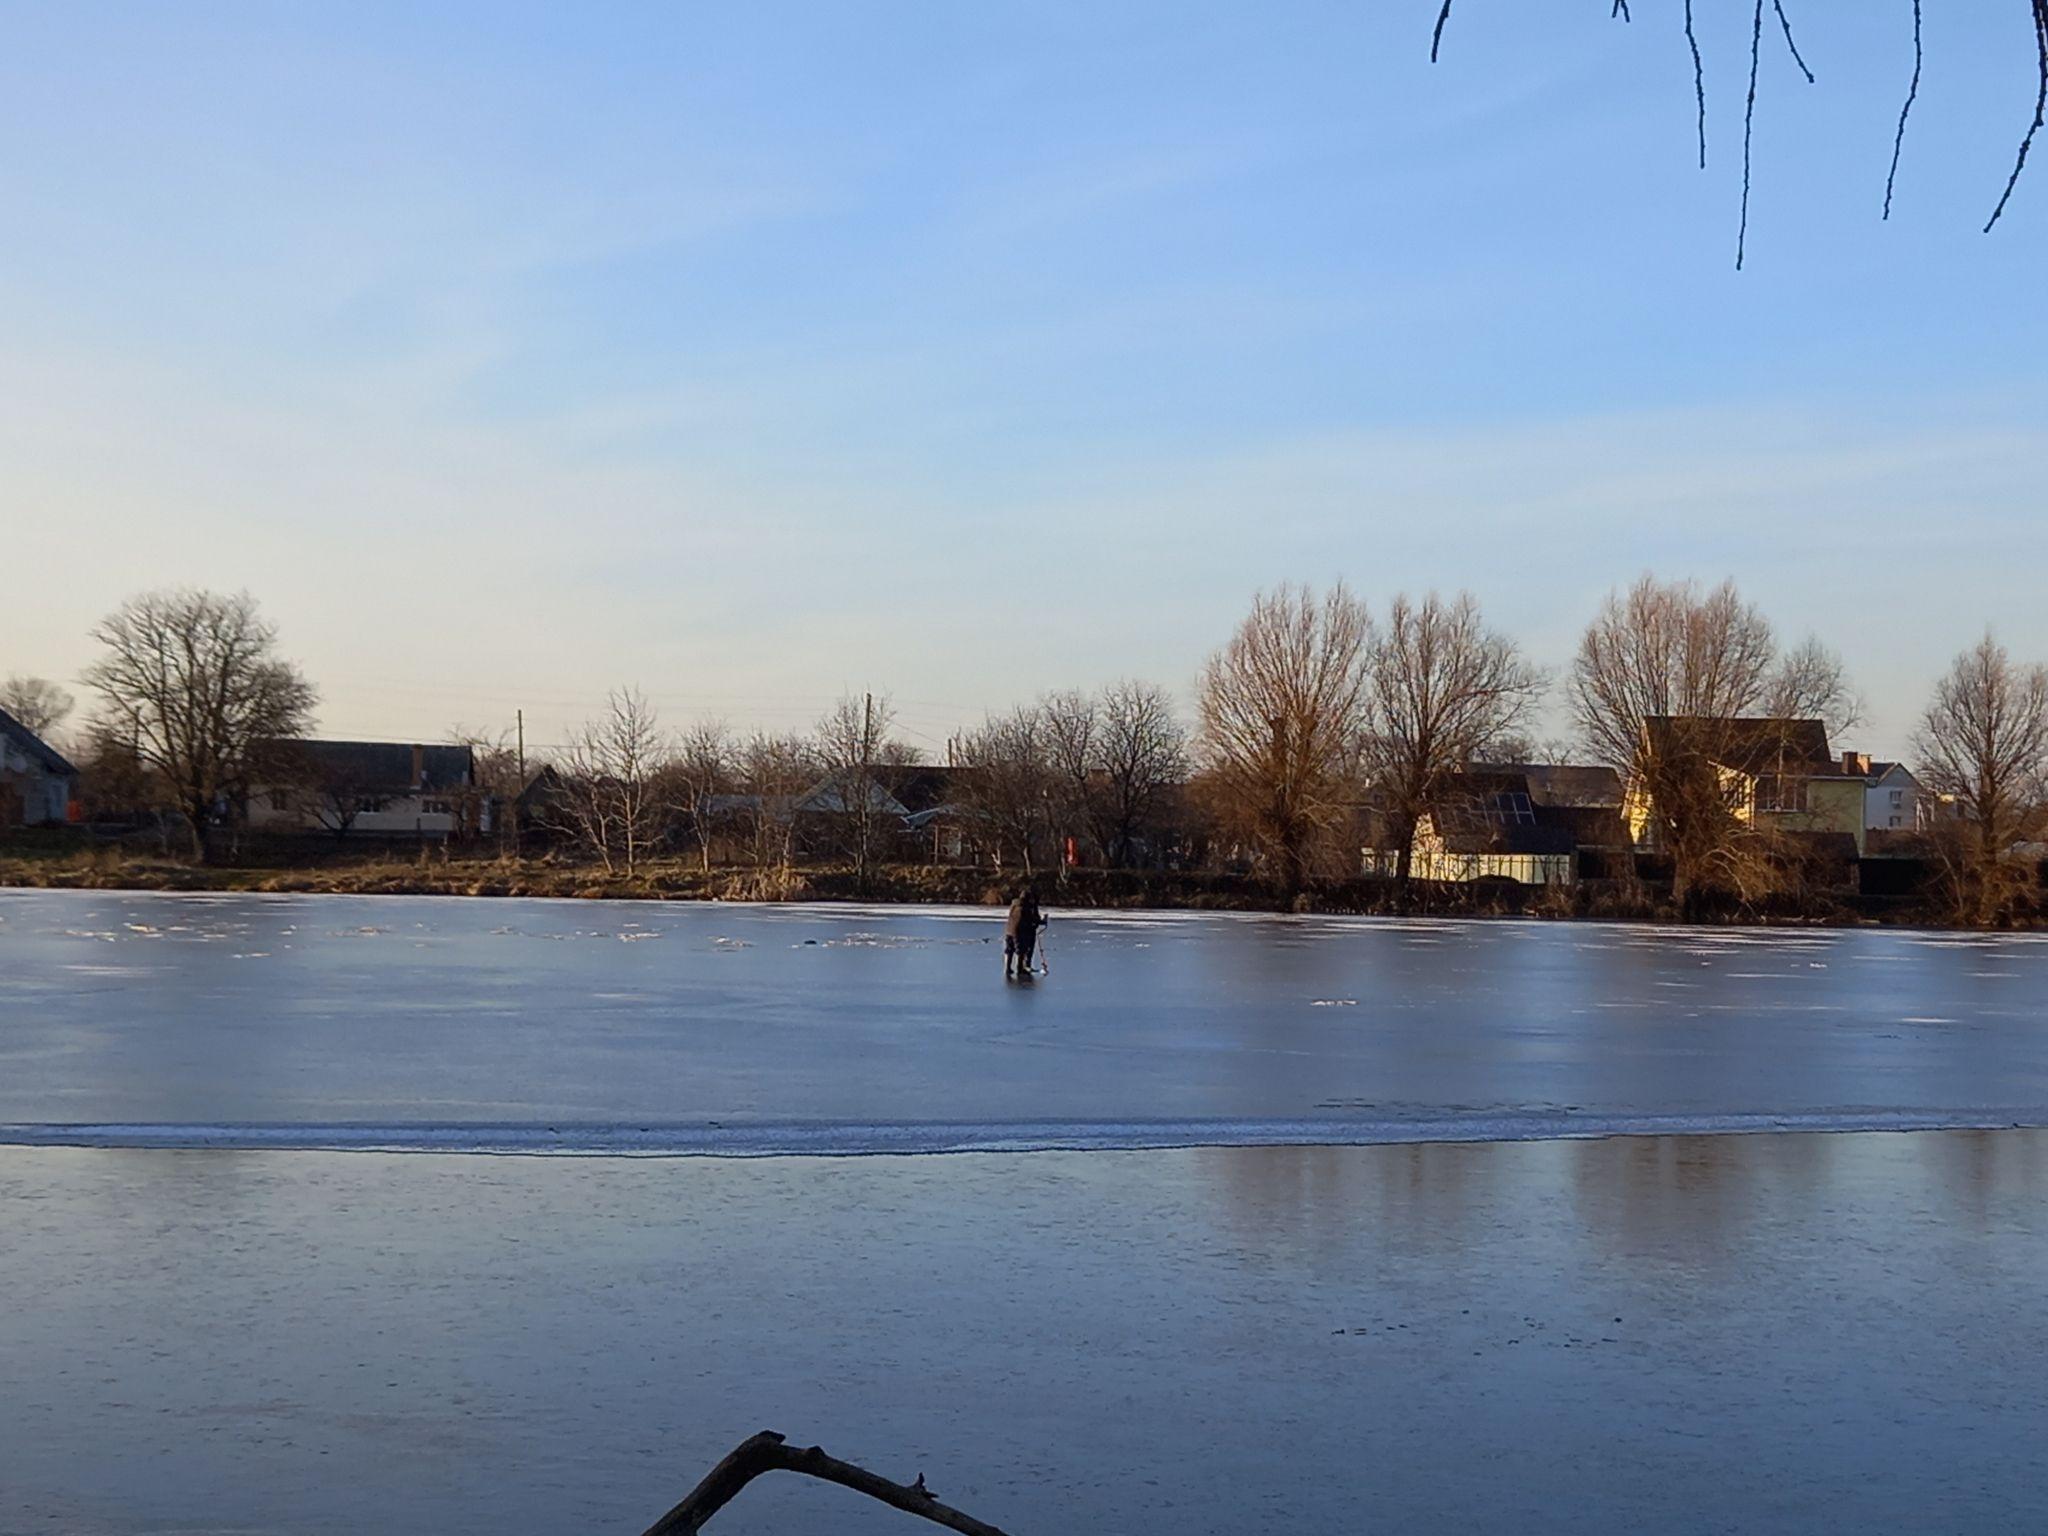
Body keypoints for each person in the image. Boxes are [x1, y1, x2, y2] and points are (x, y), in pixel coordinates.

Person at [1003, 884, 1045, 979]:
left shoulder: (1014, 905)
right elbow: (1029, 919)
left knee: (1009, 950)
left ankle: (1007, 968)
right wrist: (1041, 921)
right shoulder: (1024, 907)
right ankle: (1020, 968)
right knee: (1020, 950)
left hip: (1009, 929)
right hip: (1018, 931)